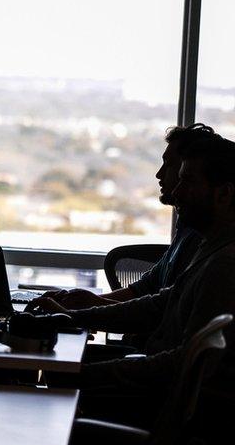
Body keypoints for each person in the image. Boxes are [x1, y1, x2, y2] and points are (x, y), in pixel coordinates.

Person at [38, 134, 235, 421]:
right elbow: (158, 304)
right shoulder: (210, 247)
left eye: (188, 182)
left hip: (156, 405)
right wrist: (74, 317)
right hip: (152, 386)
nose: (177, 193)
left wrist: (85, 372)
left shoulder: (224, 266)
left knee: (48, 389)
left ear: (224, 194)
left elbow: (181, 363)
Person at [36, 123, 217, 310]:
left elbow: (160, 313)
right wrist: (80, 304)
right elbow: (144, 289)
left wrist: (88, 307)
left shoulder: (204, 240)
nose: (159, 174)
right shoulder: (187, 227)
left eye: (170, 166)